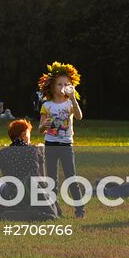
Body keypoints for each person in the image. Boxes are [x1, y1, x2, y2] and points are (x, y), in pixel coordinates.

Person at [38, 62, 86, 218]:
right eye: (59, 84)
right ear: (52, 86)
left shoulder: (70, 103)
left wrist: (73, 98)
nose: (63, 87)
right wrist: (43, 126)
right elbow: (40, 128)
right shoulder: (47, 105)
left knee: (71, 177)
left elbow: (79, 116)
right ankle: (54, 210)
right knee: (52, 179)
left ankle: (80, 210)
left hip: (66, 145)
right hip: (50, 144)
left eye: (67, 84)